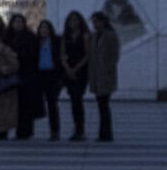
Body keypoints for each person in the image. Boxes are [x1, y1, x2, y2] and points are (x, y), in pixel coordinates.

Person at [89, 9, 121, 141]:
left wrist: (107, 69)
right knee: (101, 106)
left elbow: (114, 56)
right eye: (93, 22)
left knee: (104, 105)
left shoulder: (110, 35)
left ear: (103, 22)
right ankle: (103, 133)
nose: (94, 24)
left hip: (105, 76)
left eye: (96, 22)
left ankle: (106, 134)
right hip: (97, 75)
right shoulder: (95, 36)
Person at [8, 11, 40, 140]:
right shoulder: (8, 37)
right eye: (15, 22)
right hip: (12, 74)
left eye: (20, 22)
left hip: (27, 75)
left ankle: (26, 130)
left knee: (26, 104)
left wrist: (19, 56)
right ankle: (18, 129)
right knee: (15, 105)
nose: (18, 25)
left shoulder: (30, 37)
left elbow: (33, 54)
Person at [60, 11, 91, 141]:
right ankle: (77, 128)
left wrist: (76, 69)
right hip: (69, 71)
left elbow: (87, 54)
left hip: (81, 71)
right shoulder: (65, 36)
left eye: (75, 20)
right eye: (71, 20)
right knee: (74, 100)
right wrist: (68, 69)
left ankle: (80, 129)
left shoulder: (85, 35)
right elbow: (62, 54)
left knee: (78, 99)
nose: (73, 23)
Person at [33, 18, 64, 140]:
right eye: (42, 28)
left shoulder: (56, 41)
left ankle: (54, 131)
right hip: (40, 75)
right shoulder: (36, 42)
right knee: (37, 104)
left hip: (53, 75)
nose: (44, 30)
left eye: (46, 28)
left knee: (52, 104)